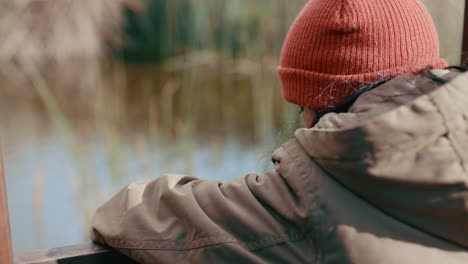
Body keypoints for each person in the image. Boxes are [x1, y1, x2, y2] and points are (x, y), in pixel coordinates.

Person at [90, 0, 468, 263]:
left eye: (301, 106)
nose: (302, 121)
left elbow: (130, 216)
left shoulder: (317, 187)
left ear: (322, 105)